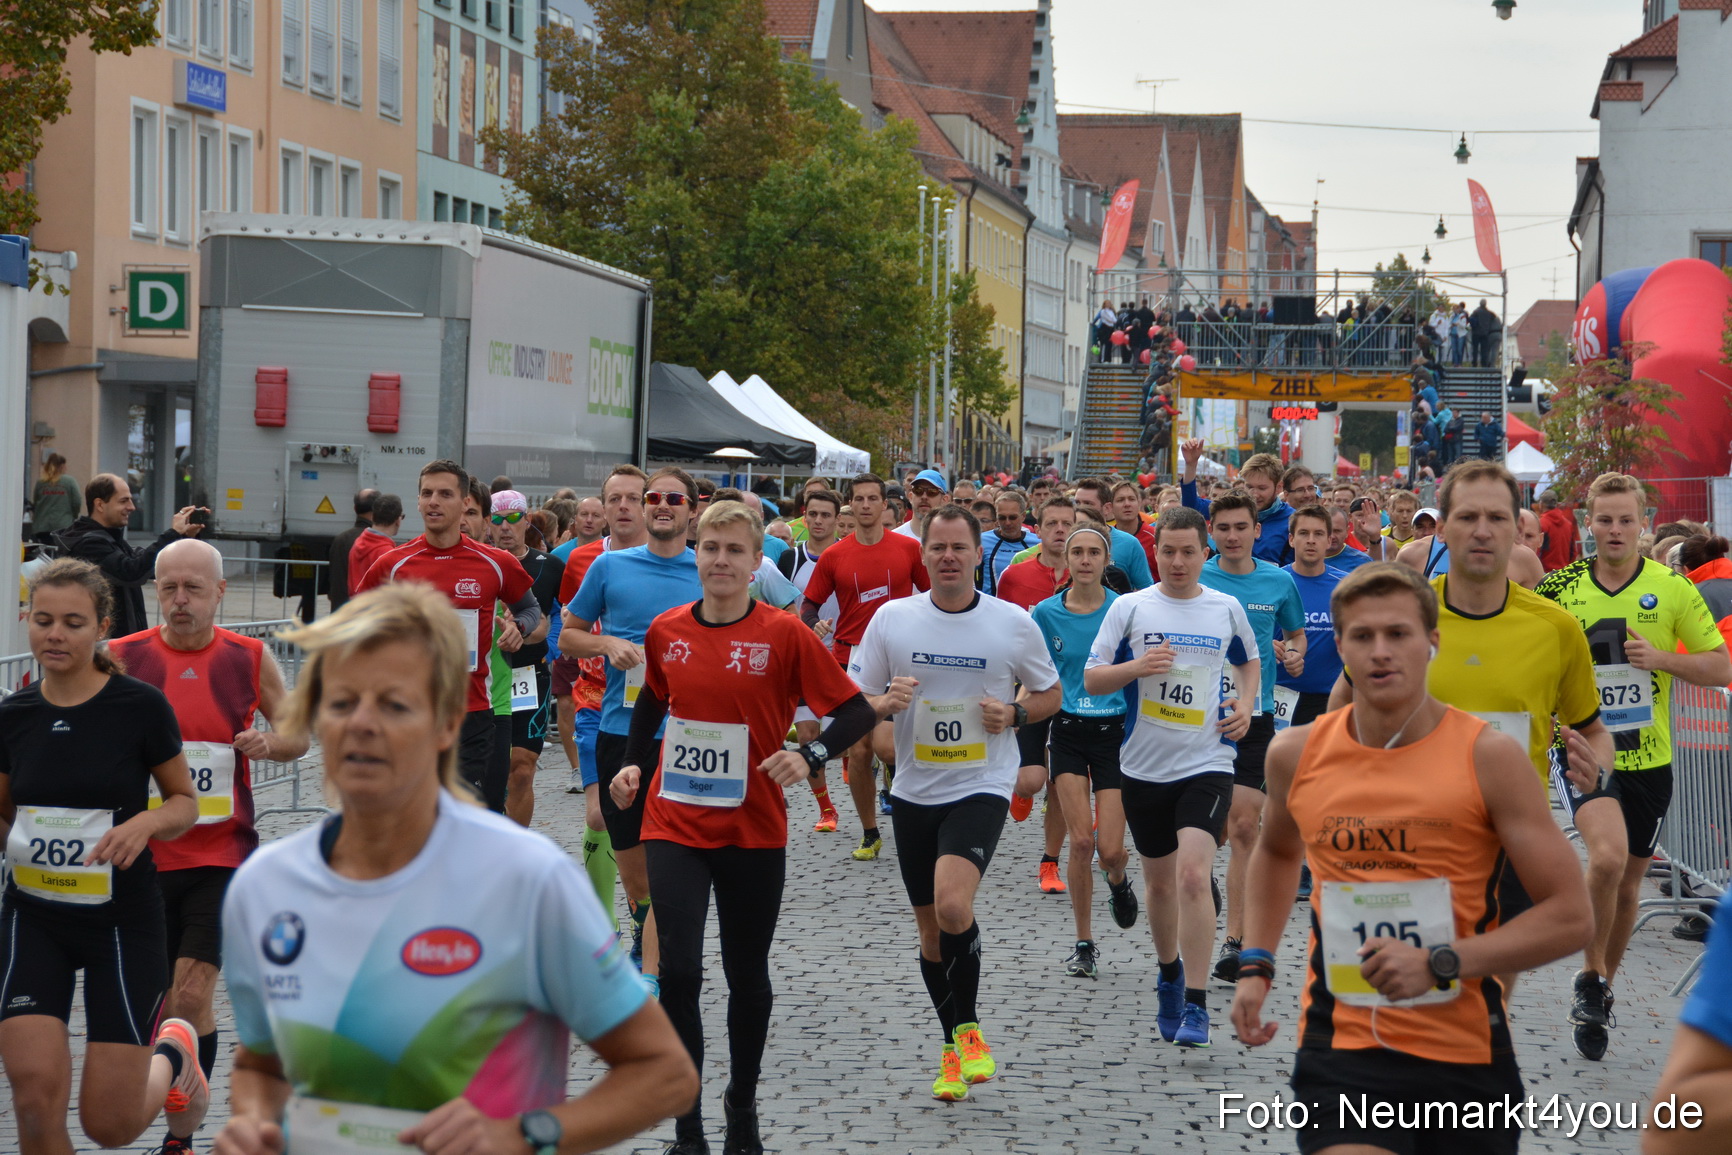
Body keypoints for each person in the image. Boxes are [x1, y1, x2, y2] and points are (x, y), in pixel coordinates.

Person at [214, 583, 698, 1155]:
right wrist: (254, 1123)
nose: (362, 723)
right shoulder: (265, 886)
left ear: (445, 723)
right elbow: (261, 1067)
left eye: (395, 704)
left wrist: (522, 1134)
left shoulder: (527, 879)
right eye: (342, 702)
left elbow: (665, 1074)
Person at [1232, 563, 1594, 1155]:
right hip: (1341, 1042)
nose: (1380, 652)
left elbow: (1572, 915)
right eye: (1362, 636)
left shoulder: (1489, 758)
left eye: (1398, 634)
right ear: (1341, 647)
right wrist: (1256, 963)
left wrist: (1443, 961)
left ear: (1432, 644)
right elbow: (1275, 851)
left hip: (1464, 1055)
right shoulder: (1296, 754)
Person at [609, 501, 879, 1154]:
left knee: (747, 975)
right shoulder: (668, 630)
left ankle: (743, 1103)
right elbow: (651, 704)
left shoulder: (784, 634)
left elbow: (854, 712)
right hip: (675, 822)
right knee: (678, 971)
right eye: (710, 548)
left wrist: (809, 754)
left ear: (758, 561)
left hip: (754, 829)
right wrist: (632, 768)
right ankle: (687, 1120)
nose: (721, 560)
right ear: (694, 554)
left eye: (734, 549)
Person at [849, 504, 1061, 1100]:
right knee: (931, 936)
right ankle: (952, 1047)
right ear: (923, 553)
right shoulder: (893, 620)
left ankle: (969, 1030)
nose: (947, 557)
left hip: (982, 784)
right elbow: (859, 697)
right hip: (914, 789)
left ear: (976, 554)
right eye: (937, 547)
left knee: (950, 904)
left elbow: (1050, 692)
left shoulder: (1011, 623)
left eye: (958, 548)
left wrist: (1016, 713)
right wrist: (884, 705)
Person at [0, 559, 208, 1154]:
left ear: (101, 628)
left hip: (120, 921)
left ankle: (172, 1051)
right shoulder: (14, 715)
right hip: (34, 916)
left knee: (109, 1127)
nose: (55, 635)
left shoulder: (138, 707)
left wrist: (144, 823)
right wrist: (21, 847)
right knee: (33, 1101)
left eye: (72, 622)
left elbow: (185, 803)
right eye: (43, 621)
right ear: (28, 624)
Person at [111, 539, 305, 1149]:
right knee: (170, 1006)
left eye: (193, 589)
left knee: (192, 991)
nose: (179, 601)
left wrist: (267, 744)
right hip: (142, 857)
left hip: (221, 855)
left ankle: (175, 1138)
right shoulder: (122, 656)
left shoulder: (247, 656)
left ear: (220, 592)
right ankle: (183, 1129)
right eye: (167, 588)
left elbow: (297, 731)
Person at [1534, 472, 1731, 1061]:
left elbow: (1720, 668)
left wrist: (1662, 658)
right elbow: (1535, 661)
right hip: (1584, 751)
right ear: (1588, 523)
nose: (1615, 530)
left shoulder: (1672, 590)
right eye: (1604, 519)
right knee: (1609, 858)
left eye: (1626, 519)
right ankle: (1590, 977)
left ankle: (1600, 987)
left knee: (1627, 884)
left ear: (1644, 523)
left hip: (1653, 756)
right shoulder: (1561, 588)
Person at [1085, 506, 1259, 1048]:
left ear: (1205, 553)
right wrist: (1138, 667)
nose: (1178, 561)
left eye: (1188, 551)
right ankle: (1169, 974)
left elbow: (1249, 662)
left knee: (1191, 875)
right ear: (1153, 551)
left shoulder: (1225, 608)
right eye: (1168, 551)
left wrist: (1246, 706)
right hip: (1141, 766)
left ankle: (1198, 1005)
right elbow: (1093, 680)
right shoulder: (1131, 609)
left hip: (1207, 762)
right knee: (1160, 882)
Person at [564, 467, 704, 989]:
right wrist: (607, 645)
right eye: (654, 497)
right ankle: (651, 935)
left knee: (672, 857)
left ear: (692, 508)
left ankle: (656, 970)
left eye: (673, 498)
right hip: (621, 731)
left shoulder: (708, 568)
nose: (661, 505)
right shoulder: (609, 567)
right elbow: (571, 635)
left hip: (689, 735)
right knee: (634, 867)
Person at [353, 460, 539, 812]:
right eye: (426, 493)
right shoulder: (392, 565)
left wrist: (519, 629)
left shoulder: (495, 563)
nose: (434, 501)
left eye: (445, 494)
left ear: (464, 502)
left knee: (467, 818)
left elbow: (529, 610)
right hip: (410, 714)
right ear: (418, 502)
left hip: (473, 715)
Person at [1199, 491, 1307, 985]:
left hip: (1257, 718)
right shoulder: (1195, 578)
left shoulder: (1278, 580)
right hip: (1197, 719)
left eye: (1242, 527)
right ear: (1212, 532)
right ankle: (1206, 886)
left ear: (1257, 531)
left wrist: (1294, 655)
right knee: (1211, 831)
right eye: (1223, 528)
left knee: (1244, 827)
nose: (1233, 536)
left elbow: (1295, 633)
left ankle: (1235, 943)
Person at [800, 473, 929, 861]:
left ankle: (911, 813)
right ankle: (870, 830)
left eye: (875, 499)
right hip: (851, 656)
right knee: (858, 750)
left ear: (886, 506)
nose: (868, 505)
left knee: (889, 748)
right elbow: (808, 606)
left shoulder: (908, 549)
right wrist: (814, 625)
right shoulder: (835, 556)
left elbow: (932, 594)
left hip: (899, 655)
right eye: (860, 500)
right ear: (851, 507)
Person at [1031, 526, 1136, 979]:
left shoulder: (1126, 610)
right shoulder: (1045, 613)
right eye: (1078, 552)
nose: (1086, 560)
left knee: (1111, 851)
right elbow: (1033, 674)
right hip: (1068, 730)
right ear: (1064, 559)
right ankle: (1084, 941)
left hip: (1116, 734)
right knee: (1080, 841)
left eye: (1094, 552)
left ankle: (1117, 880)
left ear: (1107, 558)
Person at [556, 469, 652, 926]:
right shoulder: (585, 561)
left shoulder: (680, 560)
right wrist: (607, 644)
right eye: (614, 498)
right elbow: (567, 630)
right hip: (598, 702)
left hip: (661, 712)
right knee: (598, 816)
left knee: (649, 828)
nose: (623, 507)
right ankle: (601, 921)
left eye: (633, 498)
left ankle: (644, 921)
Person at [996, 495, 1077, 889]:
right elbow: (999, 633)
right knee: (1031, 779)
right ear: (1038, 530)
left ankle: (1050, 861)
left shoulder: (1090, 574)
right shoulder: (1015, 576)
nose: (1060, 530)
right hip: (1029, 688)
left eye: (1067, 523)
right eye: (1052, 524)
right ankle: (1023, 788)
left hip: (1075, 693)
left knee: (1061, 781)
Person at [491, 489, 566, 828]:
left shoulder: (549, 566)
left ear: (526, 521)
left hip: (530, 675)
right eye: (497, 519)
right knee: (489, 767)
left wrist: (545, 643)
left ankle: (515, 847)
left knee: (521, 767)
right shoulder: (481, 560)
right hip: (487, 677)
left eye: (512, 518)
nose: (504, 527)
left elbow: (565, 616)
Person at [776, 487, 848, 832]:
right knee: (807, 734)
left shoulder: (848, 555)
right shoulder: (791, 558)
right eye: (813, 515)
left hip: (847, 656)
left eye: (826, 515)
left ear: (837, 520)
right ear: (805, 517)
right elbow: (777, 605)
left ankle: (855, 760)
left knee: (849, 738)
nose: (818, 521)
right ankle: (827, 808)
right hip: (804, 657)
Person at [56, 473, 206, 639]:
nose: (132, 507)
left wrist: (186, 536)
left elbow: (156, 566)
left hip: (122, 646)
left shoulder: (112, 540)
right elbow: (131, 572)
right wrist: (172, 534)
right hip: (103, 651)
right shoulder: (88, 544)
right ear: (99, 504)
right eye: (123, 501)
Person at [1279, 505, 1349, 729]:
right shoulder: (1273, 582)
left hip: (1328, 699)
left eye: (1318, 534)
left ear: (1329, 541)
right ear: (1291, 539)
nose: (1311, 540)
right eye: (1303, 533)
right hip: (1278, 695)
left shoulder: (1347, 587)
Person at [1072, 478, 1154, 588]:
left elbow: (1145, 590)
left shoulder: (1129, 543)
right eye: (1077, 503)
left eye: (1088, 503)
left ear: (1107, 508)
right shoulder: (1066, 540)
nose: (1080, 508)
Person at [326, 488, 378, 611]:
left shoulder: (340, 539)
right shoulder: (374, 541)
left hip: (338, 613)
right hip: (361, 616)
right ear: (378, 510)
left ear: (354, 509)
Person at [345, 492, 403, 596]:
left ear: (373, 516)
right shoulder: (387, 553)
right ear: (398, 520)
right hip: (376, 610)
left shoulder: (358, 543)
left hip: (356, 607)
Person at [979, 492, 1033, 596]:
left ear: (1023, 516)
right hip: (992, 608)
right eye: (1002, 518)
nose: (1007, 523)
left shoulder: (1037, 543)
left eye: (1012, 517)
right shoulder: (982, 541)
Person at [30, 453, 81, 544]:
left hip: (42, 526)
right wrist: (74, 516)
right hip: (63, 525)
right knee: (60, 554)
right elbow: (77, 502)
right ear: (62, 466)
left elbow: (36, 503)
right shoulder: (69, 481)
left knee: (45, 554)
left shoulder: (41, 482)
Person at [1535, 490, 1578, 571]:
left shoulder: (1541, 524)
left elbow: (1537, 551)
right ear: (1556, 504)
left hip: (1545, 574)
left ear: (1541, 504)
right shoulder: (1568, 524)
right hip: (1563, 573)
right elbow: (1573, 552)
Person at [1324, 507, 1372, 573]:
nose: (1332, 536)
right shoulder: (1308, 559)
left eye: (1337, 531)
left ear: (1347, 532)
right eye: (1328, 531)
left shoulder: (1362, 562)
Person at [1470, 299, 1502, 368]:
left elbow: (1470, 319)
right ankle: (1484, 364)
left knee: (1475, 349)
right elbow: (1495, 318)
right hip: (1485, 333)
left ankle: (1474, 363)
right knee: (1484, 350)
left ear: (1479, 304)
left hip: (1476, 333)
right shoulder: (1490, 313)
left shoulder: (1476, 312)